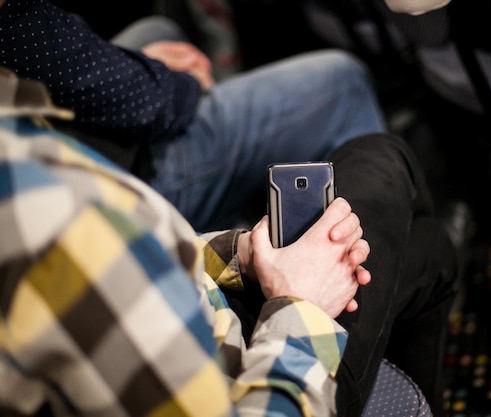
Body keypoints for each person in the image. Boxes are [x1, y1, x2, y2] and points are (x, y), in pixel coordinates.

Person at [0, 66, 459, 417]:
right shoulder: (51, 221)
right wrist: (302, 304)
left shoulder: (29, 159)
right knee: (380, 157)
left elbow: (152, 261)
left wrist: (240, 256)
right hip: (272, 374)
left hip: (224, 322)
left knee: (431, 252)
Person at [0, 0, 387, 232]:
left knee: (160, 29)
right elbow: (141, 103)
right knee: (342, 82)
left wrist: (140, 66)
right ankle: (376, 268)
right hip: (84, 183)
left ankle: (241, 195)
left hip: (35, 122)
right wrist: (181, 85)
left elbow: (46, 53)